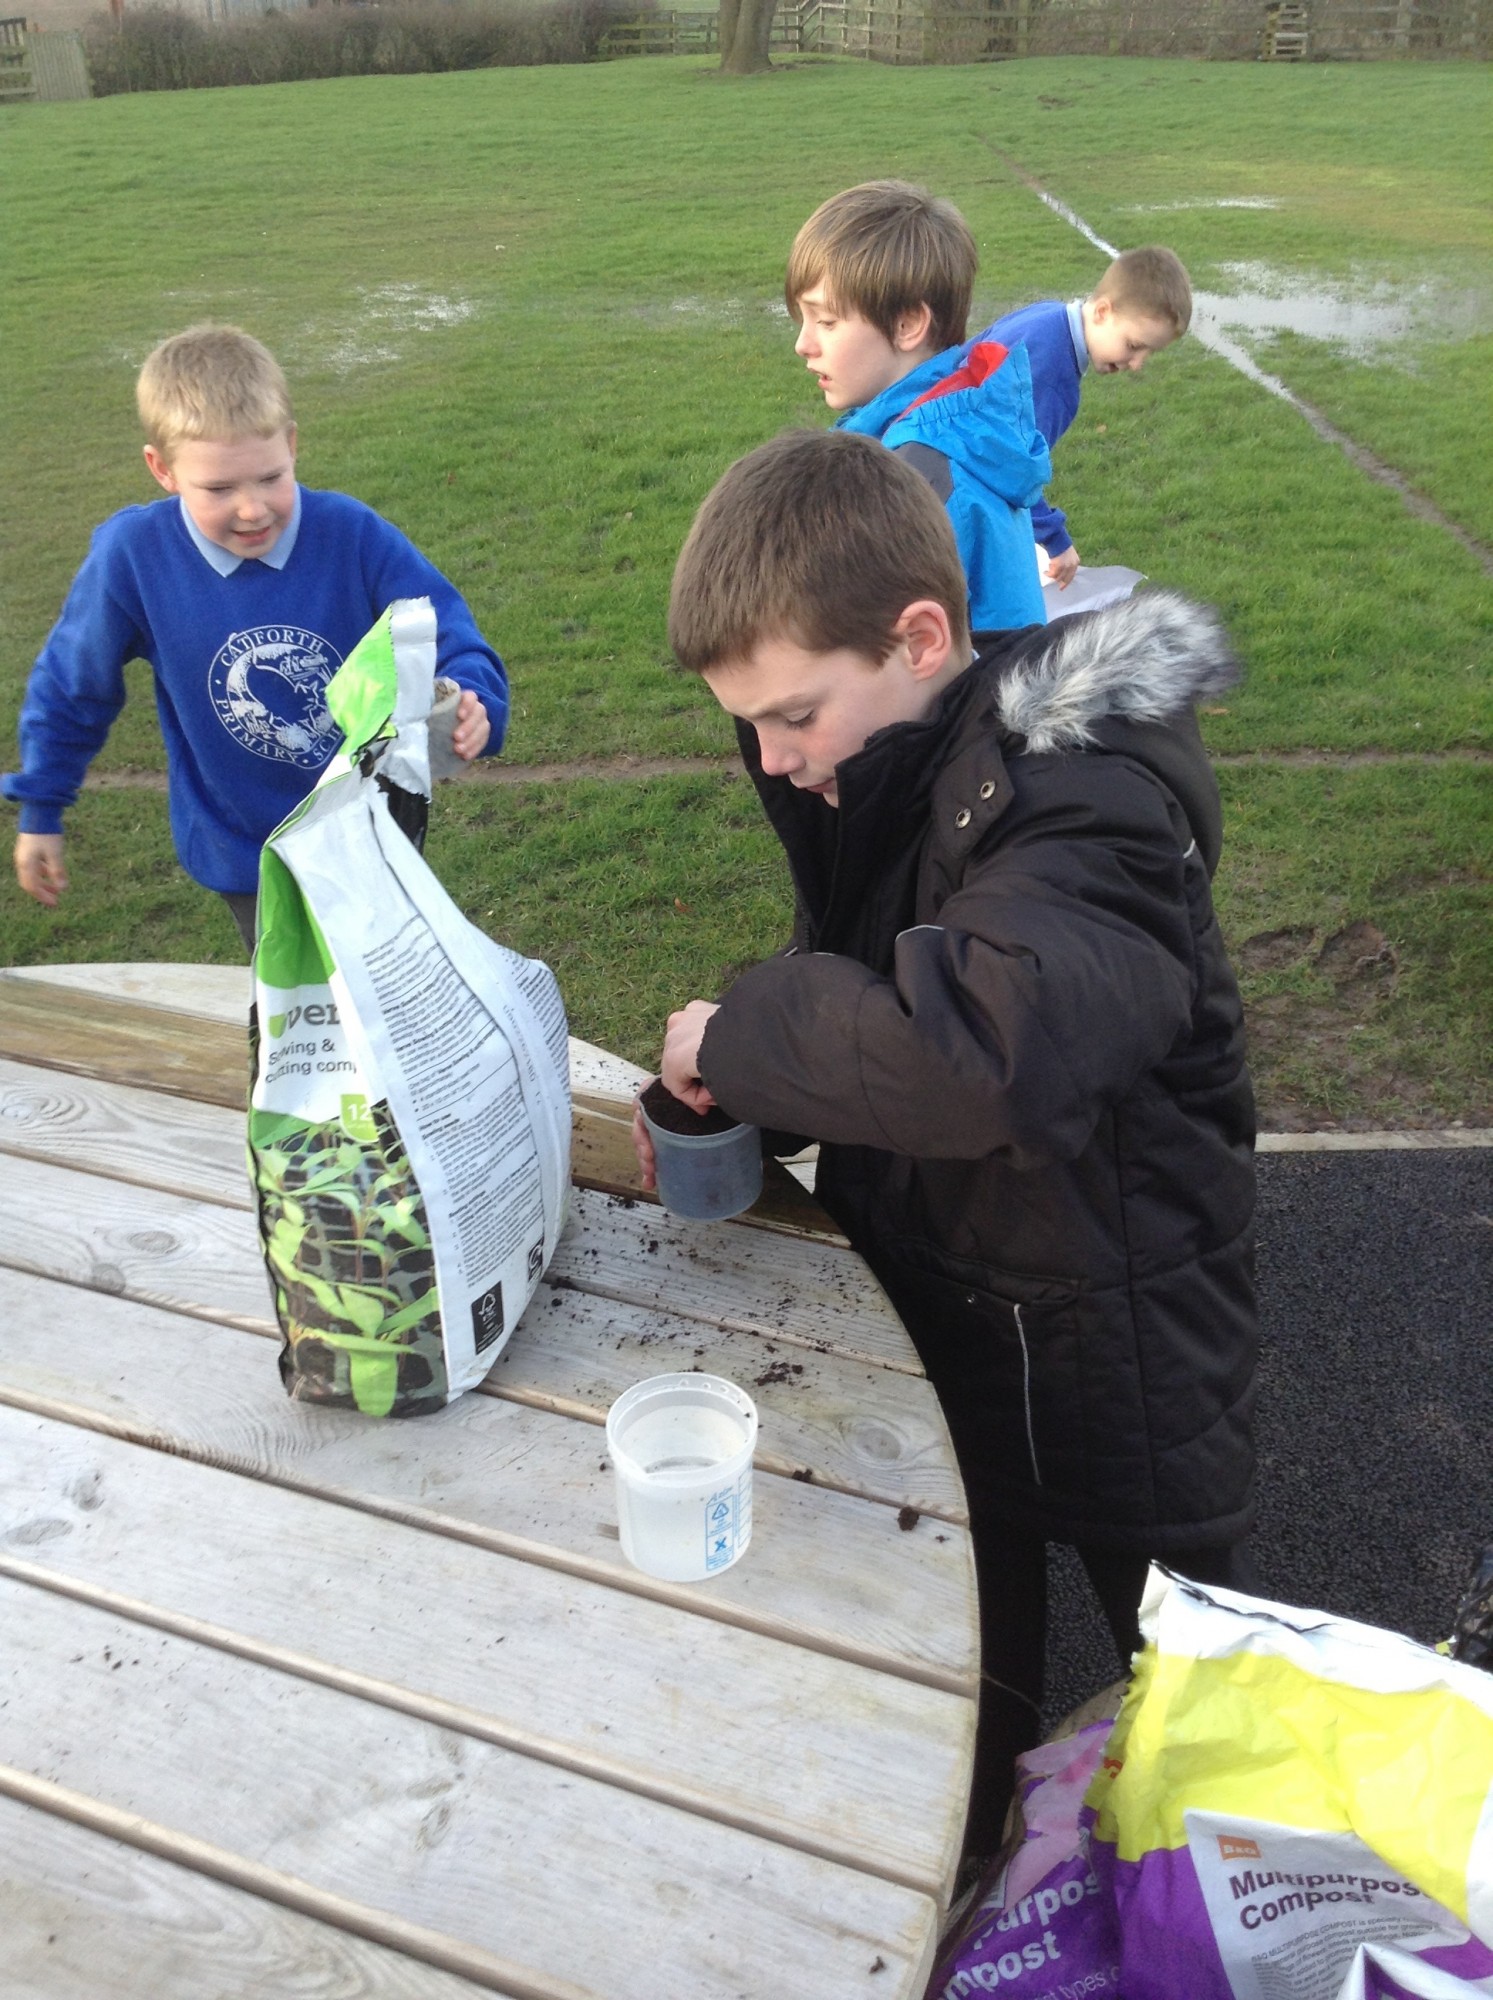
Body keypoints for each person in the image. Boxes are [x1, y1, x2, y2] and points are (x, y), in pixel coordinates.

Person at [633, 428, 1258, 1866]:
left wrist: (747, 1028)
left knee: (1197, 1704)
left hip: (1119, 1350)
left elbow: (978, 1056)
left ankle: (1225, 1907)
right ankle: (983, 1874)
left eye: (793, 716)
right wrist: (755, 1087)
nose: (778, 762)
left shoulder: (1088, 802)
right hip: (962, 1315)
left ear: (921, 636)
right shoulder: (899, 774)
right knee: (973, 1685)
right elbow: (880, 982)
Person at [3, 323, 508, 952]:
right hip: (247, 849)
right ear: (162, 469)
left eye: (270, 477)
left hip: (373, 827)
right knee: (296, 1020)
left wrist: (472, 697)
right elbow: (72, 687)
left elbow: (446, 629)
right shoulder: (134, 558)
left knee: (390, 988)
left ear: (293, 445)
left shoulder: (350, 534)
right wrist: (42, 807)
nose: (252, 508)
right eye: (218, 488)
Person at [787, 179, 1051, 641]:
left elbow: (883, 657)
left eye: (826, 321)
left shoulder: (923, 476)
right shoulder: (956, 424)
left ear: (908, 325)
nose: (803, 344)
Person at [976, 247, 1193, 588]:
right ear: (1103, 312)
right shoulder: (1051, 373)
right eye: (1134, 346)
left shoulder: (1046, 317)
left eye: (1150, 353)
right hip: (942, 490)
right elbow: (1010, 467)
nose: (1137, 364)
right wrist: (1055, 539)